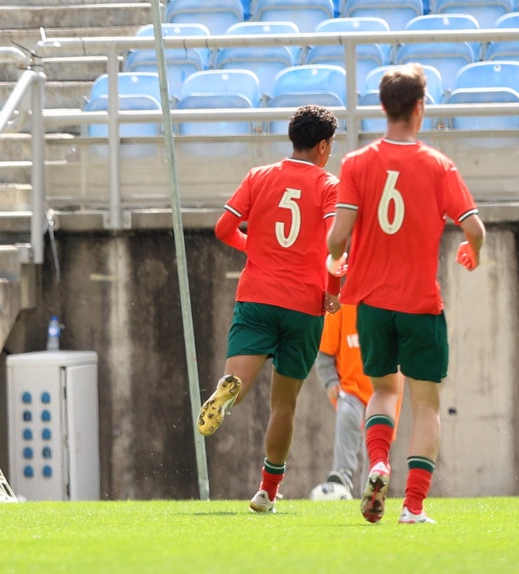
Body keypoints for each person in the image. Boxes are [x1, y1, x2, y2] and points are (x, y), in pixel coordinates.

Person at [327, 63, 486, 524]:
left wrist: (338, 263)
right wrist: (472, 253)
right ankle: (412, 507)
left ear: (382, 107)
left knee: (381, 392)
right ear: (420, 108)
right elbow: (474, 227)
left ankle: (378, 463)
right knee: (427, 404)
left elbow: (337, 239)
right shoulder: (438, 165)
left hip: (371, 303)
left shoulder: (356, 164)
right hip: (420, 303)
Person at [196, 104, 343, 514]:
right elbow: (336, 243)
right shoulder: (329, 185)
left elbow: (224, 229)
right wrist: (333, 290)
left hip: (257, 295)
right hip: (304, 304)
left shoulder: (259, 176)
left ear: (292, 139)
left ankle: (227, 393)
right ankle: (267, 491)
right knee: (284, 403)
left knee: (238, 382)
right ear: (324, 146)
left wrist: (256, 249)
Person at [311, 303, 403, 499]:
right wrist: (331, 384)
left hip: (384, 395)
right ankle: (342, 477)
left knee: (375, 448)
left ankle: (370, 493)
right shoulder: (342, 306)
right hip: (349, 389)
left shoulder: (390, 304)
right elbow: (324, 353)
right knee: (347, 413)